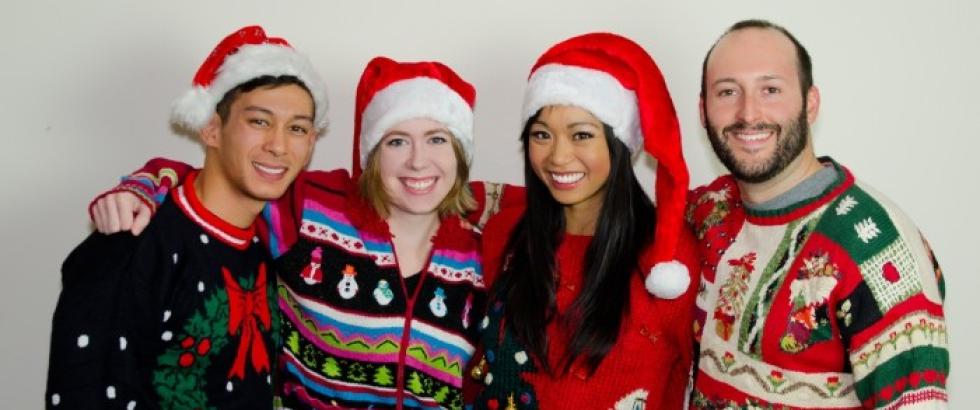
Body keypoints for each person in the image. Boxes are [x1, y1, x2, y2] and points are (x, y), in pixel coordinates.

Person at [88, 57, 518, 409]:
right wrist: (143, 186)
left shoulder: (484, 241)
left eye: (438, 140)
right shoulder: (312, 208)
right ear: (370, 155)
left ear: (461, 154)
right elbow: (222, 184)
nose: (418, 162)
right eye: (397, 141)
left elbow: (564, 202)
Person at [46, 25, 328, 409]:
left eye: (297, 128)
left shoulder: (264, 246)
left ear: (311, 143)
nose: (278, 145)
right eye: (259, 121)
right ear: (211, 129)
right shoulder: (131, 242)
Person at [688, 19, 949, 409]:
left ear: (810, 104)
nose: (748, 112)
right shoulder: (707, 210)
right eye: (728, 92)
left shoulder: (878, 247)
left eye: (770, 89)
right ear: (704, 111)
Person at [471, 32, 698, 409]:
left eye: (581, 135)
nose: (558, 157)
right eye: (541, 134)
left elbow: (685, 381)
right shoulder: (504, 234)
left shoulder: (667, 258)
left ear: (619, 144)